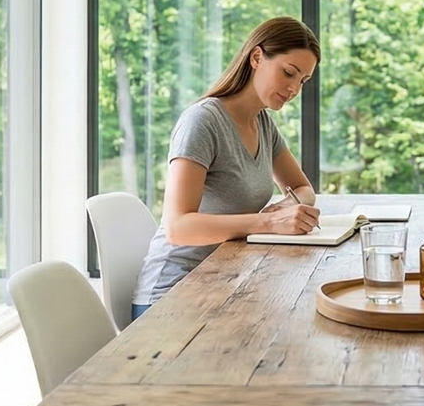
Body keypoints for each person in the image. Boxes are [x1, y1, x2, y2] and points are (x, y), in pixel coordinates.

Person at [130, 17, 323, 319]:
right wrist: (267, 223)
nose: (294, 88)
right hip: (171, 296)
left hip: (226, 280)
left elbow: (302, 189)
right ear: (257, 57)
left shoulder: (262, 124)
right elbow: (178, 228)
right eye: (289, 73)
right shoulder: (203, 122)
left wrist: (287, 209)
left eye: (303, 81)